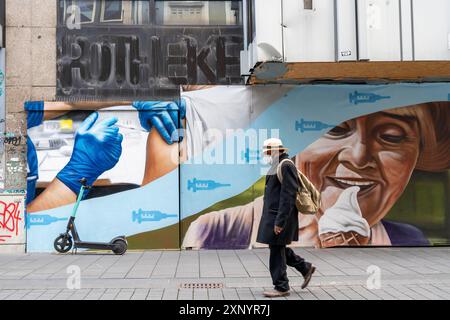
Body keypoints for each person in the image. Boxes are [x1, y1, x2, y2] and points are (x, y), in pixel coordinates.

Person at [182, 102, 450, 248]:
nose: (358, 156)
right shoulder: (215, 231)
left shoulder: (408, 240)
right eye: (334, 129)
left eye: (391, 136)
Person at [257, 138, 316, 298]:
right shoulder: (277, 164)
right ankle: (305, 268)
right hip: (275, 216)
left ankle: (282, 286)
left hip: (280, 217)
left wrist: (280, 222)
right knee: (278, 248)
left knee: (276, 251)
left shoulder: (286, 165)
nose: (266, 155)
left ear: (275, 151)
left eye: (268, 152)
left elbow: (288, 195)